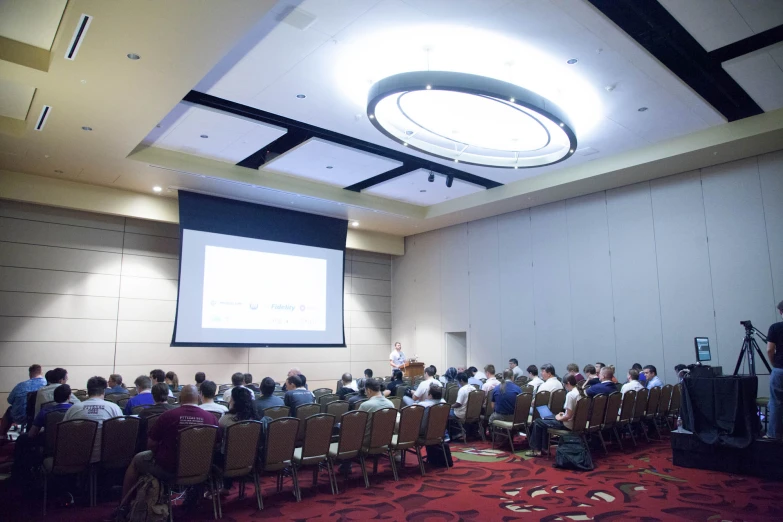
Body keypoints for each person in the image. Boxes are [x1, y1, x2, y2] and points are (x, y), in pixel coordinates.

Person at [120, 385, 217, 502]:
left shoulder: (168, 416)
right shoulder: (211, 418)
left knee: (137, 459)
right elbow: (215, 443)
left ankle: (124, 503)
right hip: (201, 468)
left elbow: (151, 444)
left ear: (180, 398)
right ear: (198, 397)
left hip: (170, 470)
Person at [63, 376, 122, 463]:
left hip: (77, 457)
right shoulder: (114, 407)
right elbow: (121, 432)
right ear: (104, 391)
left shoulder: (74, 408)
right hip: (108, 456)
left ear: (88, 391)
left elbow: (64, 432)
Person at [526, 374, 580, 457]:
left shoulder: (571, 395)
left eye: (565, 385)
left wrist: (559, 417)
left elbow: (568, 417)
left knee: (537, 421)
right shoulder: (580, 392)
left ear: (568, 383)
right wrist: (562, 414)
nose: (564, 387)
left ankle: (536, 450)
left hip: (567, 424)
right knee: (545, 419)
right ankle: (544, 448)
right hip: (576, 422)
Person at [1, 364, 46, 441]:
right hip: (40, 417)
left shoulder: (21, 385)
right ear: (41, 373)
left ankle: (2, 435)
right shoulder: (46, 384)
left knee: (10, 410)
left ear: (30, 374)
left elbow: (10, 400)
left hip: (20, 416)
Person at [767, 300, 783, 441]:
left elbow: (770, 349)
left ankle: (774, 435)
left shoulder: (775, 328)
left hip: (780, 369)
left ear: (780, 311)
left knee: (776, 402)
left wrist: (774, 364)